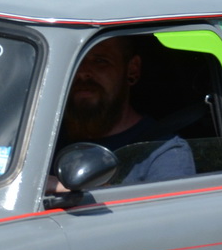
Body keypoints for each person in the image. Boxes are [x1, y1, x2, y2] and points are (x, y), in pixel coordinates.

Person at [54, 36, 195, 185]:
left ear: (132, 70)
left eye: (100, 61)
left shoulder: (163, 152)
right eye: (75, 62)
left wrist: (61, 188)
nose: (82, 72)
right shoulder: (45, 141)